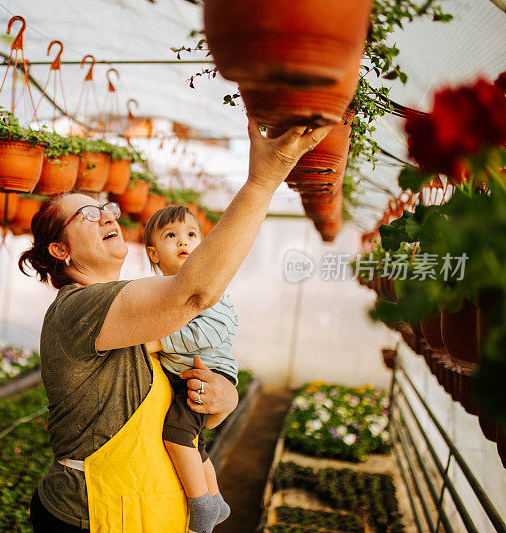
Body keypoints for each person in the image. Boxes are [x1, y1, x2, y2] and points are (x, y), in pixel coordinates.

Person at [19, 118, 333, 533]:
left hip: (153, 513)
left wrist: (224, 398)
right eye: (87, 214)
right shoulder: (78, 309)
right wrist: (262, 182)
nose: (105, 216)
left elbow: (180, 402)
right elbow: (194, 294)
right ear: (61, 250)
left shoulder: (137, 314)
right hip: (95, 515)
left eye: (106, 209)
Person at [143, 205, 239, 533]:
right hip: (186, 374)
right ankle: (215, 499)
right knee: (196, 443)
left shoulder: (207, 285)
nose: (183, 241)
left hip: (209, 373)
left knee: (178, 434)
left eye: (191, 235)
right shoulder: (164, 291)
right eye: (171, 236)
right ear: (153, 253)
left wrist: (160, 342)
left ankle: (201, 506)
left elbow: (219, 327)